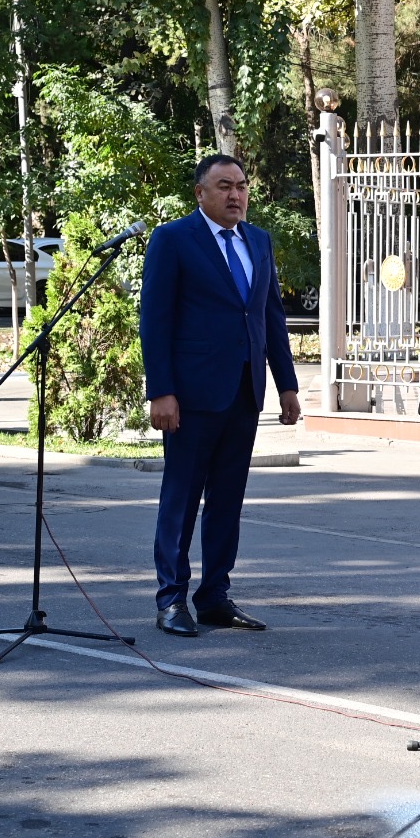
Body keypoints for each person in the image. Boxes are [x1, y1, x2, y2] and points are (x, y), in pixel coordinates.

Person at [142, 154, 300, 638]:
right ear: (200, 193)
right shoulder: (172, 240)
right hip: (190, 397)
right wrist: (161, 392)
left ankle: (214, 597)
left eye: (242, 185)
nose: (236, 195)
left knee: (228, 500)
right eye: (225, 186)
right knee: (182, 498)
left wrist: (287, 384)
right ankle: (171, 600)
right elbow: (156, 321)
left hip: (244, 392)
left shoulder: (259, 241)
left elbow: (269, 317)